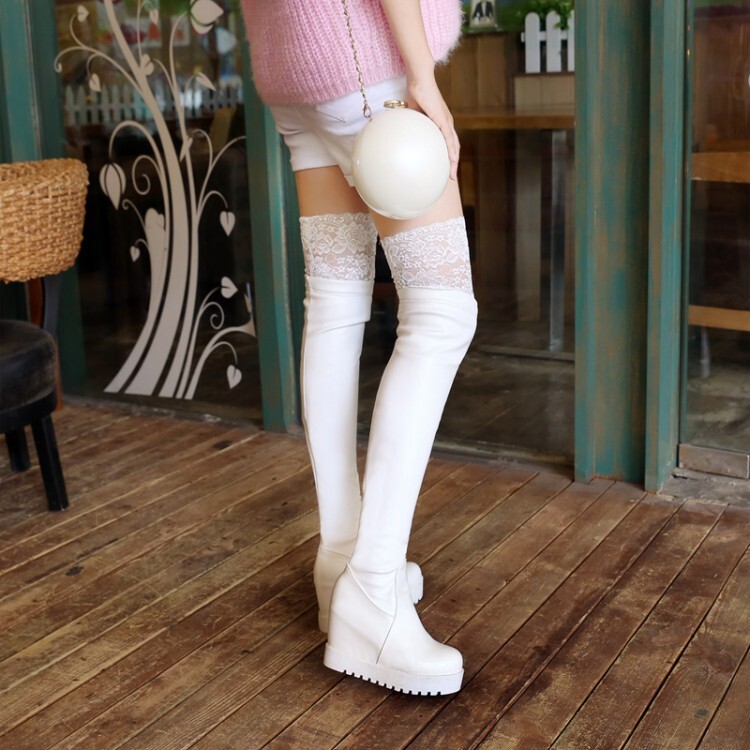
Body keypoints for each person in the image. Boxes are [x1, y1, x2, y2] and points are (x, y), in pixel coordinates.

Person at [241, 0, 477, 696]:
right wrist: (422, 77)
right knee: (441, 313)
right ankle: (372, 588)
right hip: (368, 68)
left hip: (297, 75)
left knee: (336, 304)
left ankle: (342, 559)